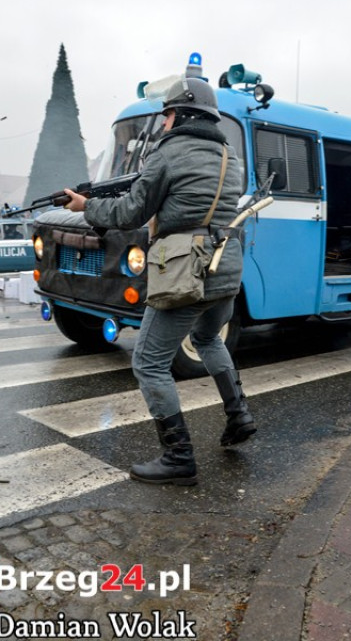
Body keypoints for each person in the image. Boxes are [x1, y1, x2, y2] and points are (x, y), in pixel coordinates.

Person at [64, 76, 256, 486]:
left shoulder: (169, 153)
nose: (164, 122)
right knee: (208, 340)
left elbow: (130, 213)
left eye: (168, 114)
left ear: (182, 113)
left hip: (185, 270)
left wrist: (86, 206)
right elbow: (197, 204)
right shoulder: (229, 155)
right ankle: (239, 415)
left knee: (148, 362)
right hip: (224, 268)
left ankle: (179, 457)